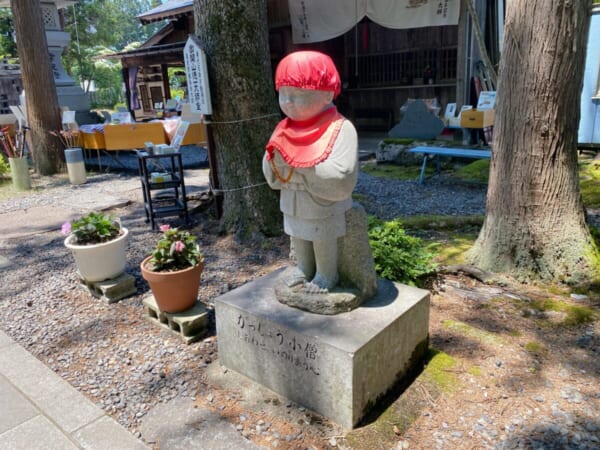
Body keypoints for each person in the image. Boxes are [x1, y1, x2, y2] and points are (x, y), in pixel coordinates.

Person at [263, 51, 358, 294]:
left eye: (298, 94)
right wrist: (277, 164)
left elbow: (342, 176)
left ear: (327, 93)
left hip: (321, 203)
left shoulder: (340, 128)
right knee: (298, 234)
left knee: (321, 234)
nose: (288, 101)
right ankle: (304, 268)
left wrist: (300, 167)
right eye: (283, 94)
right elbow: (271, 169)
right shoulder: (284, 128)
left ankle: (328, 273)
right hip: (292, 200)